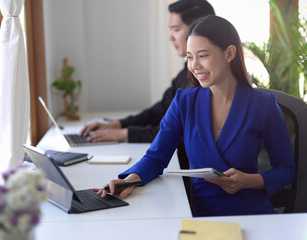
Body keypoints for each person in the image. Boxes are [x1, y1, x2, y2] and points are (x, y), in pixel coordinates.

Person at [95, 15, 296, 217]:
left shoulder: (263, 106)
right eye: (190, 57)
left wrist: (249, 181)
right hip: (201, 217)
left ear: (229, 53)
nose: (195, 66)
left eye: (203, 55)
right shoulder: (184, 102)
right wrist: (129, 181)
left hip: (253, 214)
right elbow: (156, 157)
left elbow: (286, 170)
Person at [80, 0, 215, 144]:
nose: (170, 37)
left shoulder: (205, 79)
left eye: (176, 29)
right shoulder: (186, 72)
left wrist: (123, 133)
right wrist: (118, 124)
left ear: (197, 29)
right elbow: (158, 111)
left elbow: (177, 130)